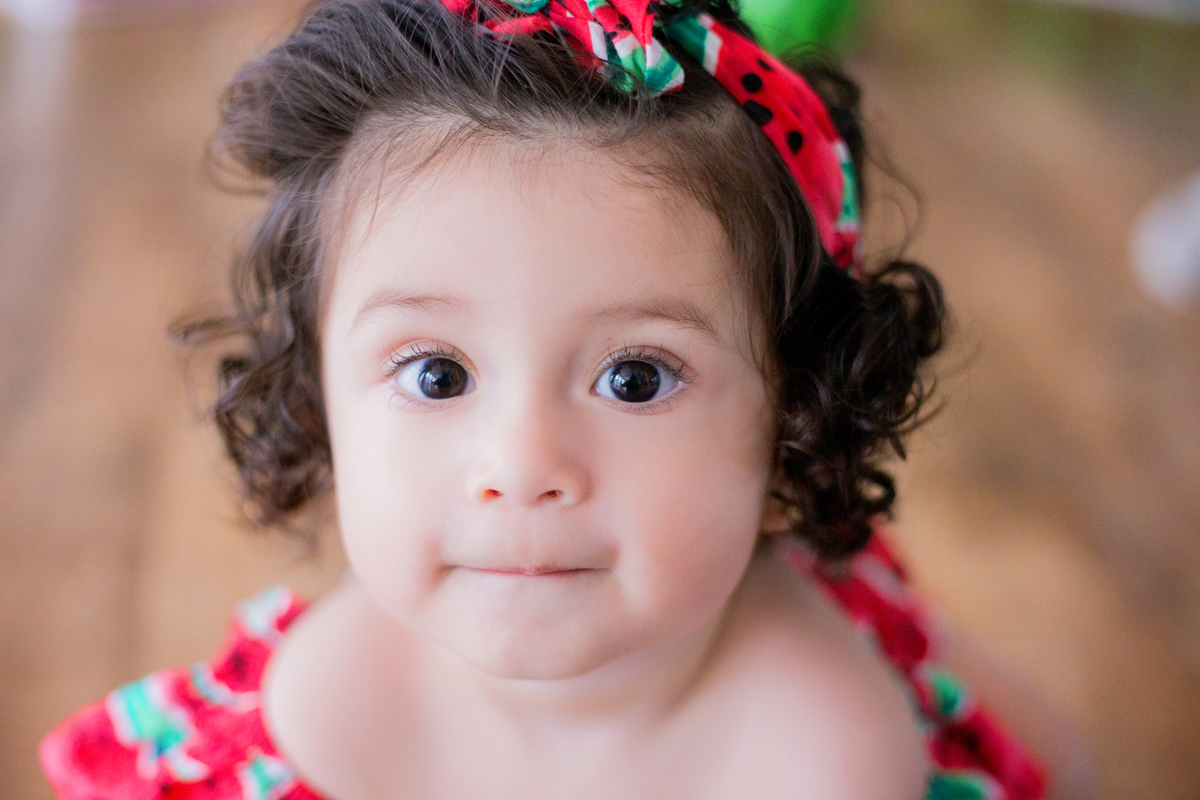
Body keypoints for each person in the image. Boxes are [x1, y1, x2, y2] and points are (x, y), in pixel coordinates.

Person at [39, 0, 1059, 797]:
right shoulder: (325, 711)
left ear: (794, 422)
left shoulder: (823, 750)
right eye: (437, 373)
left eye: (636, 376)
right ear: (316, 401)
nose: (523, 464)